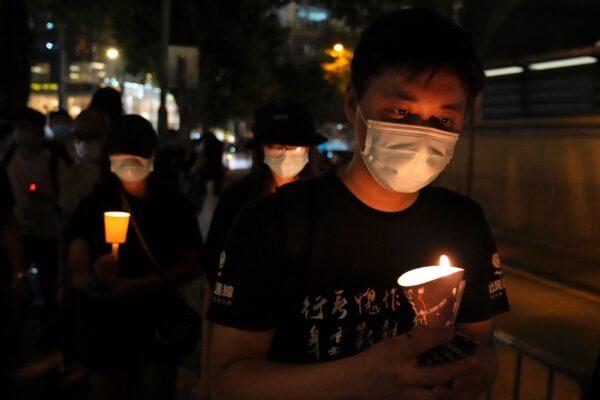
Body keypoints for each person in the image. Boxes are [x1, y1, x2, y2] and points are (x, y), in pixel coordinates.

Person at [207, 8, 509, 399]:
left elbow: (483, 348)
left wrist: (474, 372)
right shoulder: (272, 222)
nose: (421, 133)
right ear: (353, 105)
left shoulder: (464, 222)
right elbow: (227, 377)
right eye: (400, 111)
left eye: (443, 121)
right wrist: (366, 377)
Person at [66, 115, 203, 400]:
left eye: (138, 153)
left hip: (158, 323)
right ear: (109, 156)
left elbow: (194, 263)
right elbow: (76, 270)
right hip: (105, 328)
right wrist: (95, 279)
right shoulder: (93, 205)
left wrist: (137, 285)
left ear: (153, 154)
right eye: (122, 153)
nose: (130, 161)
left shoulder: (173, 204)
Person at [199, 98, 326, 396]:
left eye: (294, 146)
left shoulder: (323, 202)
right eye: (276, 146)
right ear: (261, 149)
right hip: (247, 348)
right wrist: (208, 372)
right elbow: (212, 285)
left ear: (309, 150)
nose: (285, 154)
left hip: (308, 350)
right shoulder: (238, 201)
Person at [4, 107, 67, 309]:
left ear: (39, 130)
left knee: (49, 284)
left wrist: (46, 196)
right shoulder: (7, 159)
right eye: (17, 128)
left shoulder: (54, 160)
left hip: (48, 233)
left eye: (25, 128)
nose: (20, 133)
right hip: (18, 232)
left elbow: (67, 200)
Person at [59, 108, 110, 218]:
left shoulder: (117, 173)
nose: (83, 143)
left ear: (106, 137)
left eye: (91, 136)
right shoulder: (73, 173)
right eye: (78, 136)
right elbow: (67, 215)